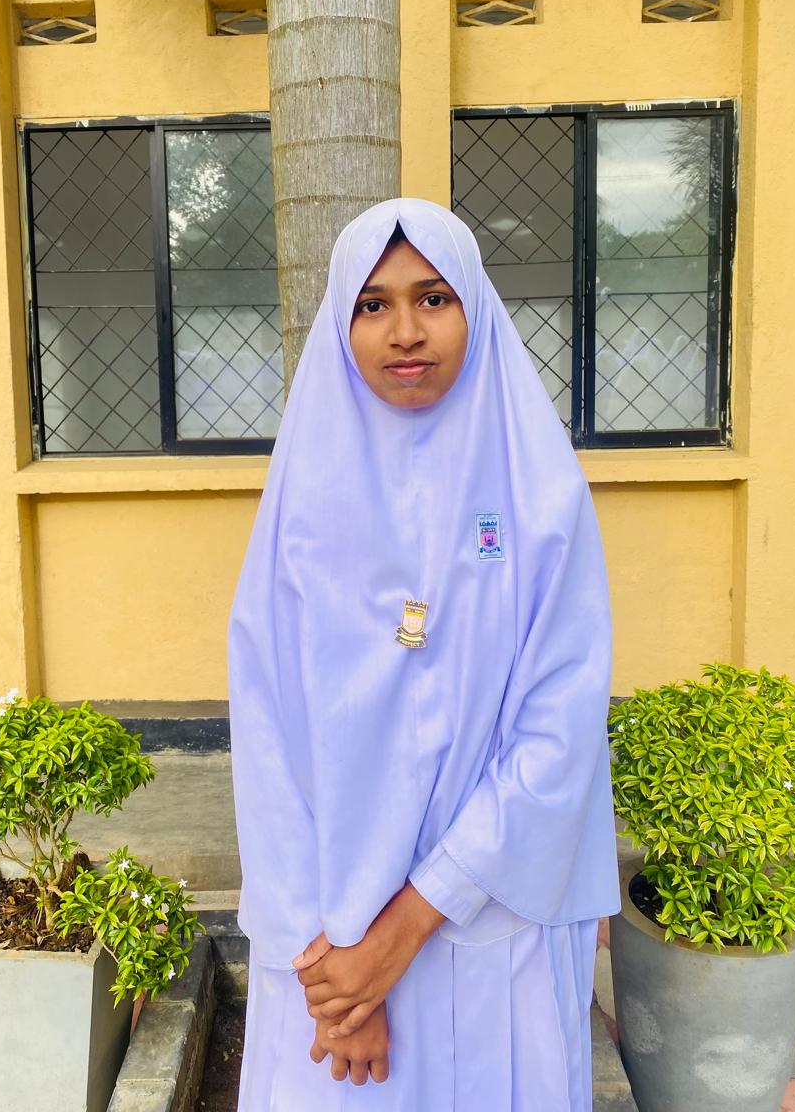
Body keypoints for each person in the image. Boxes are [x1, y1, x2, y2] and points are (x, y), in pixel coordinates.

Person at [226, 197, 620, 1110]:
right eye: (373, 304)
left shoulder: (538, 495)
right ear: (341, 324)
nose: (405, 331)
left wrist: (402, 930)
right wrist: (336, 971)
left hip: (496, 923)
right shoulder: (298, 514)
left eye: (433, 298)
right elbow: (269, 738)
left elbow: (559, 728)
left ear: (474, 307)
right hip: (332, 958)